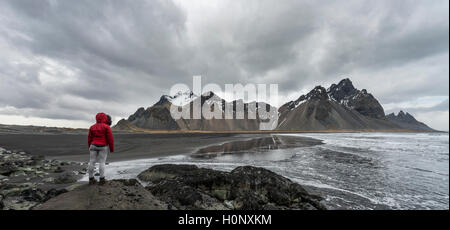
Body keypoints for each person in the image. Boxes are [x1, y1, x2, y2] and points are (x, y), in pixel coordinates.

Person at [87, 113, 114, 185]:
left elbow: (89, 138)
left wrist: (90, 146)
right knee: (102, 162)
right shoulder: (106, 127)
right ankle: (102, 179)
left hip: (93, 145)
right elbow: (110, 139)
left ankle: (91, 178)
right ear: (105, 118)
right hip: (103, 146)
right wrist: (111, 148)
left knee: (92, 161)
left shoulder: (92, 127)